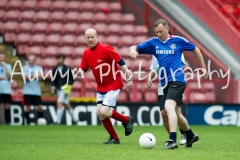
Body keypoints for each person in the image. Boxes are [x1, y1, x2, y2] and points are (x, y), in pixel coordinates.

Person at [129, 19, 208, 149]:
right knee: (176, 112)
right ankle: (190, 135)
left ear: (167, 28)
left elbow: (196, 49)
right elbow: (135, 47)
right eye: (156, 32)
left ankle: (172, 140)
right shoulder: (154, 43)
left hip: (177, 80)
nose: (158, 34)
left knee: (168, 107)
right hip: (165, 82)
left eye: (160, 31)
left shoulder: (178, 40)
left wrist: (203, 67)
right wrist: (133, 50)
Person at [74, 28, 134, 144]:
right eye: (88, 37)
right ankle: (114, 138)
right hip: (101, 86)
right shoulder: (86, 53)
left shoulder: (106, 49)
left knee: (105, 112)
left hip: (113, 84)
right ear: (85, 39)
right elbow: (83, 69)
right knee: (99, 113)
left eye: (92, 37)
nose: (90, 39)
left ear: (97, 37)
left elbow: (120, 62)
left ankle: (126, 120)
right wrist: (78, 72)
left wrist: (129, 78)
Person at [148, 54, 187, 145]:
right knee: (164, 113)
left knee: (174, 110)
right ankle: (173, 139)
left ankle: (184, 133)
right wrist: (150, 78)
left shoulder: (175, 48)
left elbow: (179, 66)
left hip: (175, 84)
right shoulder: (155, 52)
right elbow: (154, 68)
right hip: (162, 86)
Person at [51, 54, 78, 125]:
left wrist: (67, 84)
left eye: (61, 59)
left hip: (65, 89)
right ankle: (75, 119)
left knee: (59, 102)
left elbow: (72, 78)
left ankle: (58, 121)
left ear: (63, 60)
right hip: (58, 89)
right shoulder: (55, 69)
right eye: (58, 59)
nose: (60, 60)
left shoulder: (67, 69)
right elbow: (53, 79)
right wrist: (53, 85)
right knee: (66, 104)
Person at [23, 54, 44, 124]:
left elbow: (41, 76)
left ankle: (40, 121)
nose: (31, 61)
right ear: (28, 61)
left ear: (35, 61)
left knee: (40, 107)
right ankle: (27, 122)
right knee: (28, 107)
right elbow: (25, 77)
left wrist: (30, 76)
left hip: (36, 92)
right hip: (27, 91)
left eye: (32, 60)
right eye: (29, 60)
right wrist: (35, 75)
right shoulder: (24, 68)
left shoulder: (38, 68)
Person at [0, 53, 12, 125]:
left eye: (3, 57)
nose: (2, 59)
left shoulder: (8, 66)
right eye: (0, 57)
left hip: (7, 90)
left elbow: (10, 77)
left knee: (7, 105)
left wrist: (4, 66)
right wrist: (5, 78)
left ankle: (8, 122)